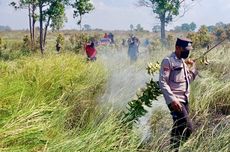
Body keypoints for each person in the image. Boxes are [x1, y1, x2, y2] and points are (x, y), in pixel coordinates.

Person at [159, 38, 198, 151]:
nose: (188, 52)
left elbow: (188, 80)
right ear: (177, 48)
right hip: (176, 101)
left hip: (185, 99)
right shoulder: (168, 61)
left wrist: (194, 68)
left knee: (178, 127)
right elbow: (163, 82)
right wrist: (172, 100)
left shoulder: (182, 62)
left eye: (189, 50)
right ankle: (177, 148)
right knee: (188, 128)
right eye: (185, 49)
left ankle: (174, 149)